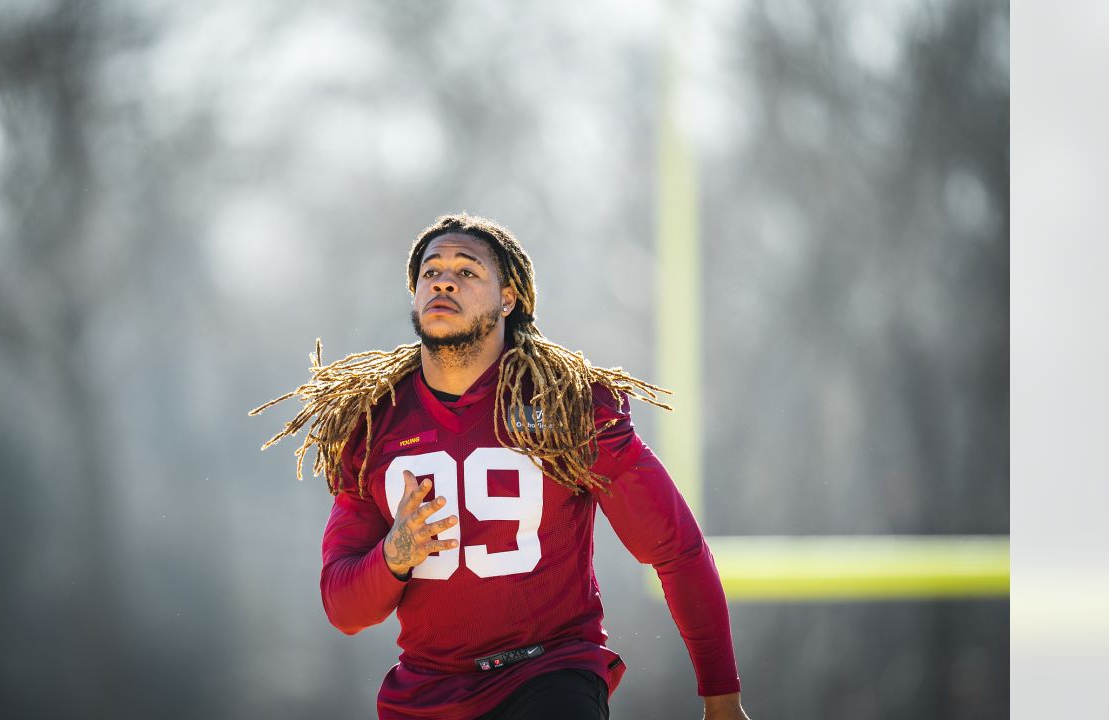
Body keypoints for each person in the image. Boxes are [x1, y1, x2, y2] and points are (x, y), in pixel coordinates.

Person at [251, 214, 750, 720]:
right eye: (431, 272)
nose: (443, 280)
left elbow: (677, 549)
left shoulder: (567, 405)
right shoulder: (374, 422)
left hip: (548, 675)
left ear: (508, 298)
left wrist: (722, 698)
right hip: (427, 692)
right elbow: (344, 608)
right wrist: (392, 556)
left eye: (467, 271)